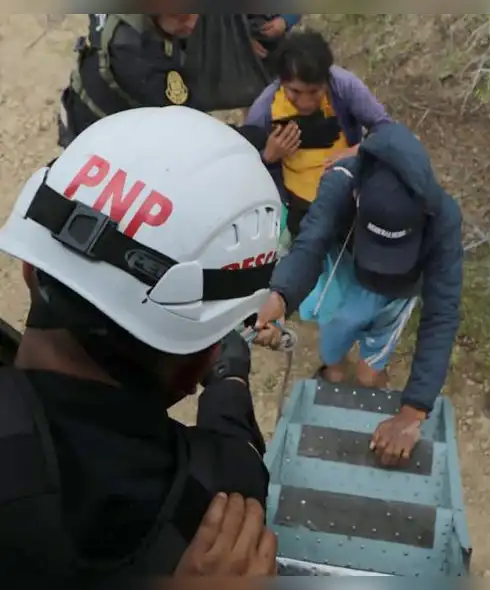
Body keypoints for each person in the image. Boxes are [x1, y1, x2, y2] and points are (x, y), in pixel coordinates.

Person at [0, 106, 282, 577]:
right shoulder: (216, 505)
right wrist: (229, 380)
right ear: (199, 360)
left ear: (31, 268)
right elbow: (234, 460)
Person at [252, 121, 464, 468]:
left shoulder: (443, 216)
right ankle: (334, 369)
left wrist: (412, 412)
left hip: (396, 297)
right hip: (344, 274)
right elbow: (310, 245)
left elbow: (442, 312)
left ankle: (370, 376)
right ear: (358, 197)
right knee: (334, 333)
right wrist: (280, 297)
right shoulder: (341, 182)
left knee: (371, 368)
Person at [244, 29, 392, 240]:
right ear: (281, 82)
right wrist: (267, 156)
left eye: (314, 92)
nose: (305, 103)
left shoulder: (345, 87)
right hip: (296, 206)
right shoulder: (265, 108)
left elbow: (387, 129)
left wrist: (357, 150)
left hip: (348, 193)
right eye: (295, 92)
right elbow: (243, 168)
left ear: (326, 79)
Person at [58, 14, 202, 147]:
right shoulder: (139, 56)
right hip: (97, 140)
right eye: (180, 17)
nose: (193, 22)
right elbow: (190, 124)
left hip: (93, 91)